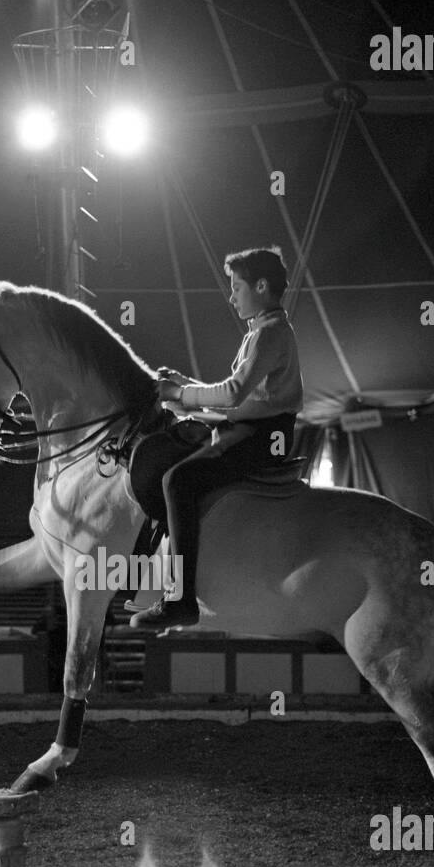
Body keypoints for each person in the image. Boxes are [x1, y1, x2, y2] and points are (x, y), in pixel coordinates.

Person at [130, 246, 304, 631]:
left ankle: (179, 598)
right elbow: (234, 398)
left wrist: (178, 395)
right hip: (253, 429)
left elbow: (232, 395)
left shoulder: (270, 334)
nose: (232, 296)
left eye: (237, 287)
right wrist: (184, 386)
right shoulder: (262, 332)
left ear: (261, 286)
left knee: (177, 480)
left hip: (263, 438)